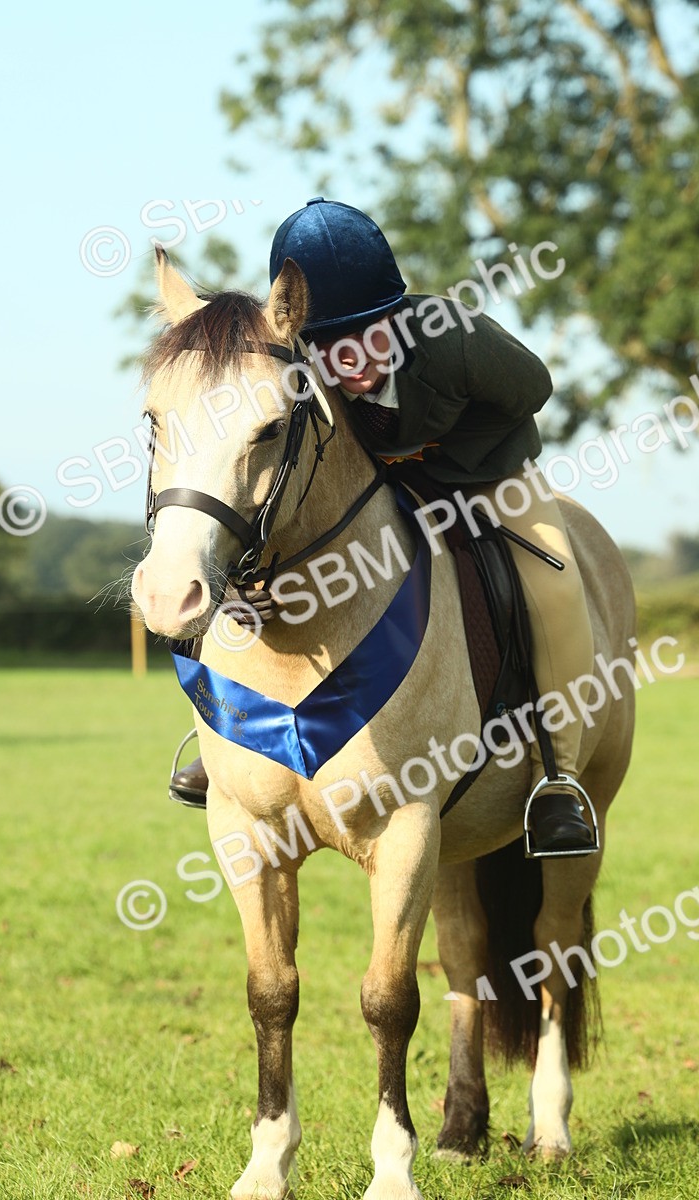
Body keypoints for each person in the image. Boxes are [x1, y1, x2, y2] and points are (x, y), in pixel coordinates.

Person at [170, 197, 597, 856]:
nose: (354, 360)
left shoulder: (454, 338)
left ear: (397, 314)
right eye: (331, 344)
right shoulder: (293, 365)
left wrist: (436, 458)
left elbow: (531, 389)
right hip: (368, 489)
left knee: (555, 581)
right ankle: (227, 745)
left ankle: (557, 776)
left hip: (484, 475)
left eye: (372, 333)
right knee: (232, 554)